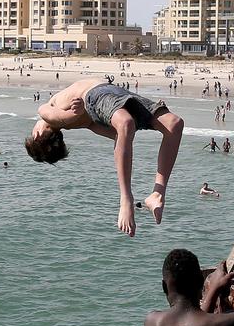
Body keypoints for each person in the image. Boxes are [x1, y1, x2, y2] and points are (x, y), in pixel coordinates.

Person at [26, 79, 184, 234]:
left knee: (174, 124)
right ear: (37, 135)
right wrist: (75, 113)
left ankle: (157, 193)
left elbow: (64, 117)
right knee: (127, 124)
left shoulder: (70, 119)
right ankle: (126, 199)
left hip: (114, 94)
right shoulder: (47, 114)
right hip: (98, 94)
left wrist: (76, 115)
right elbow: (59, 117)